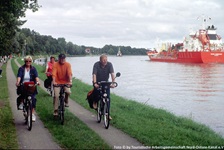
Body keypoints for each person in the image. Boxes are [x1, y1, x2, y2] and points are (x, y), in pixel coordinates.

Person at [16, 55, 40, 122]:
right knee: (22, 93)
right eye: (27, 61)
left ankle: (32, 113)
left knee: (33, 99)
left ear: (31, 61)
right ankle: (21, 102)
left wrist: (37, 81)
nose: (28, 62)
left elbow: (36, 76)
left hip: (31, 85)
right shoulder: (21, 68)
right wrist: (18, 82)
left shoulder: (33, 69)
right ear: (25, 61)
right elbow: (19, 76)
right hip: (23, 85)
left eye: (29, 61)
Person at [92, 54, 116, 120]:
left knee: (108, 97)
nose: (105, 61)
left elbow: (112, 74)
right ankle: (95, 101)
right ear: (100, 60)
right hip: (98, 82)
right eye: (103, 60)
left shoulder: (109, 64)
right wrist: (95, 83)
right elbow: (94, 74)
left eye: (106, 60)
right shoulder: (96, 65)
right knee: (97, 92)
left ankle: (108, 114)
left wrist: (113, 83)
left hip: (105, 82)